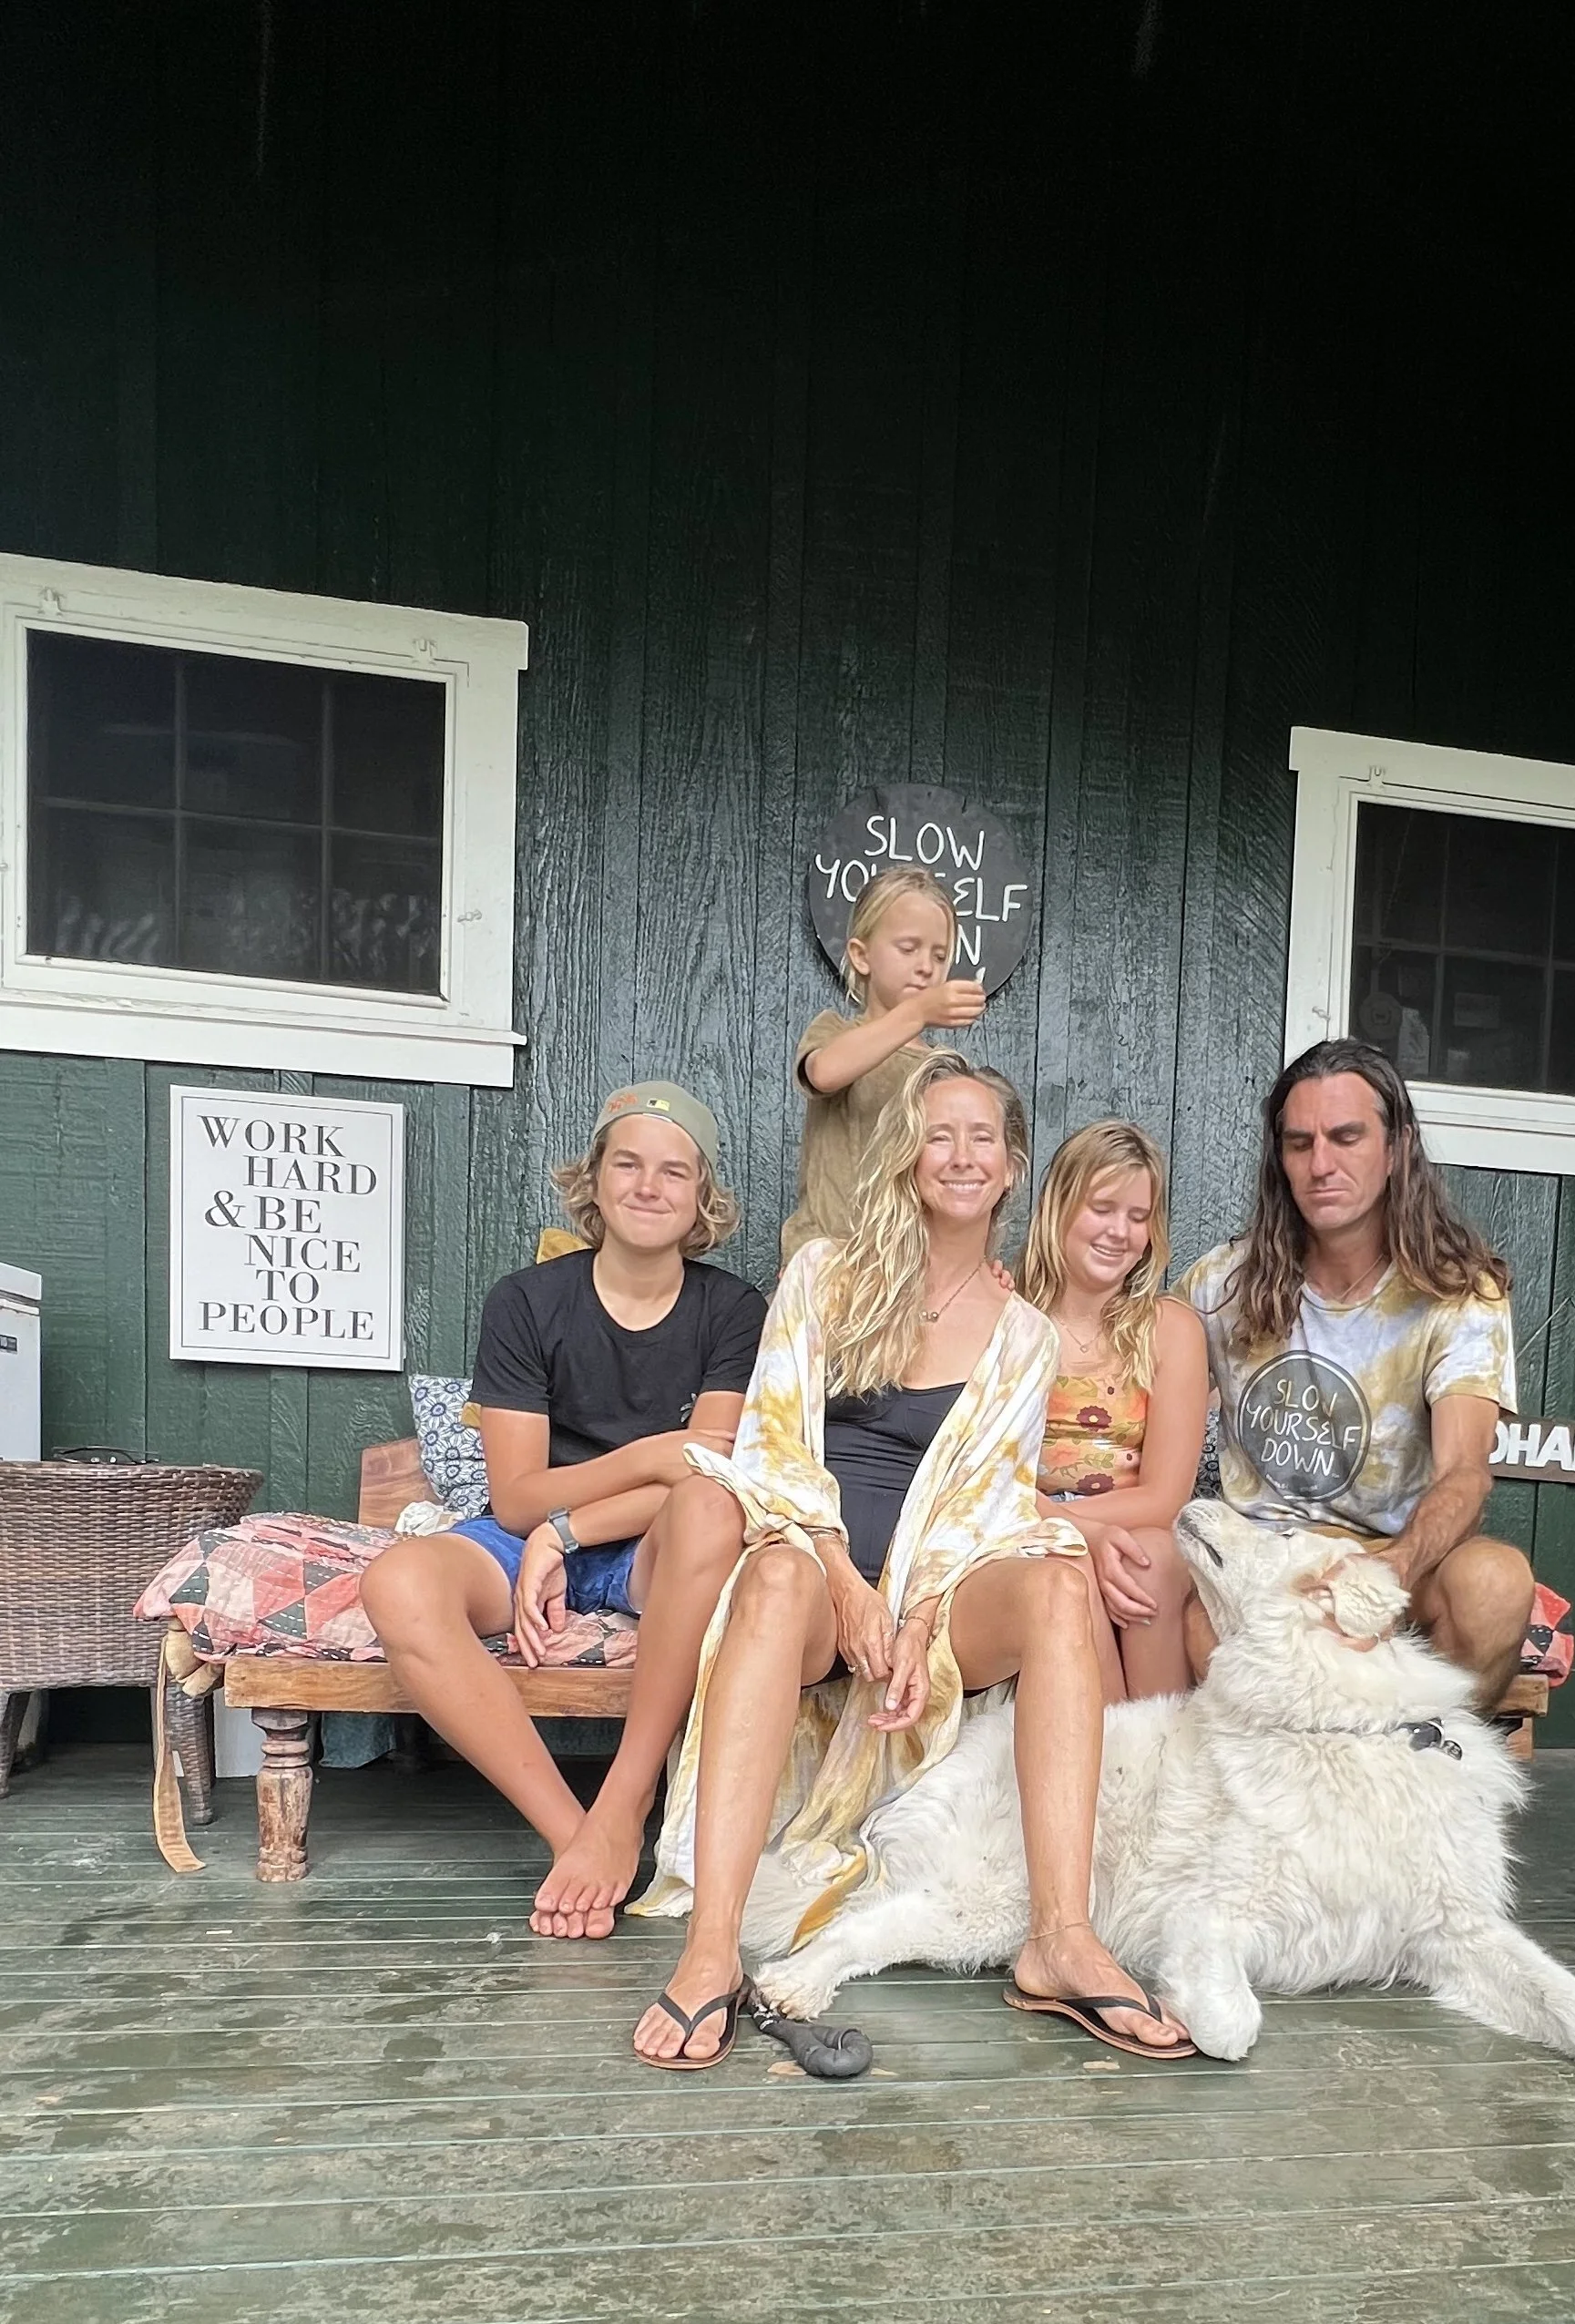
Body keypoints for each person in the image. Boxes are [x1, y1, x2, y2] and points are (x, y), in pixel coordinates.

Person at [631, 1054, 1193, 2071]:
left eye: (984, 1137)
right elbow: (772, 1444)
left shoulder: (1022, 1334)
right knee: (769, 1576)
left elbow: (989, 1495)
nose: (962, 1154)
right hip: (816, 1570)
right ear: (907, 1152)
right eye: (941, 1132)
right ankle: (710, 1949)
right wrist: (846, 1582)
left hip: (937, 1592)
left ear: (1014, 1167)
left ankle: (1060, 1937)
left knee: (1063, 1579)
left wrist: (921, 1611)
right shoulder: (826, 1277)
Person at [361, 1083, 762, 1939]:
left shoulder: (732, 1310)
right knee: (399, 1583)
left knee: (709, 1513)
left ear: (702, 1199)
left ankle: (625, 1795)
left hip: (650, 1538)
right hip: (518, 1536)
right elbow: (514, 1495)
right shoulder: (528, 1301)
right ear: (594, 1181)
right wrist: (652, 1453)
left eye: (675, 1171)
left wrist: (569, 1527)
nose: (649, 1186)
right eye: (628, 1163)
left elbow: (717, 1478)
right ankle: (574, 1833)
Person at [1182, 1039, 1535, 1701]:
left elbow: (1466, 1472)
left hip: (1393, 1557)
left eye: (1347, 1137)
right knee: (1190, 1601)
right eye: (1299, 1143)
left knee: (1495, 1584)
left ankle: (1419, 1760)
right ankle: (1281, 1772)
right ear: (1279, 1159)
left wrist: (1393, 1567)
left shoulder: (1459, 1292)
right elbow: (1121, 1375)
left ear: (1396, 1147)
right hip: (1262, 1559)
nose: (1321, 1164)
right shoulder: (1220, 1284)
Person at [1020, 1120, 1209, 1701]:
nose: (1119, 1232)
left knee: (1148, 1559)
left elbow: (1166, 1494)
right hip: (1023, 1519)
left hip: (1137, 1525)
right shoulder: (1008, 1317)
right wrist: (1074, 1532)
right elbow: (982, 1470)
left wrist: (1090, 1527)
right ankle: (1105, 1758)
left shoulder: (1169, 1328)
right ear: (1059, 1208)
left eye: (1138, 1216)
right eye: (1102, 1208)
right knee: (1069, 1571)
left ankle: (1155, 1754)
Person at [783, 863, 987, 1258]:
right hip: (828, 1258)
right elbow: (824, 1072)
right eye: (908, 949)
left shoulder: (944, 1068)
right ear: (861, 956)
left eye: (940, 955)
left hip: (907, 1268)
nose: (926, 966)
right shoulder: (834, 1031)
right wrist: (917, 1013)